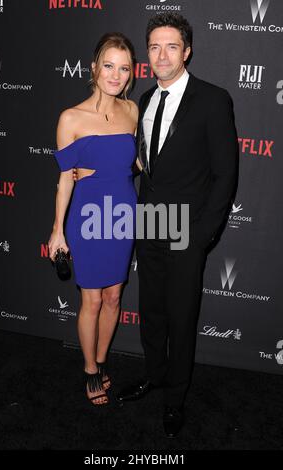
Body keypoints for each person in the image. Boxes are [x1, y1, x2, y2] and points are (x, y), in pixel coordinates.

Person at [116, 12, 239, 438]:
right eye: (154, 46)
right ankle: (155, 375)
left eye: (171, 46)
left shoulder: (212, 99)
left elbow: (226, 174)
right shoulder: (145, 101)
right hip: (149, 223)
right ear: (147, 53)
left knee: (182, 316)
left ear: (186, 51)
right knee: (150, 310)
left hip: (187, 230)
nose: (162, 54)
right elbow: (145, 164)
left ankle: (175, 398)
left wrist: (204, 234)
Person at [48, 32, 139, 406]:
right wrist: (57, 231)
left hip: (123, 214)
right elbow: (64, 181)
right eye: (108, 66)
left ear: (131, 73)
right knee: (91, 301)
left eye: (124, 68)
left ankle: (102, 361)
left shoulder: (132, 111)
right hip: (87, 216)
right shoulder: (71, 118)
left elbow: (132, 163)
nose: (115, 75)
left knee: (115, 297)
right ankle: (89, 369)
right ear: (94, 68)